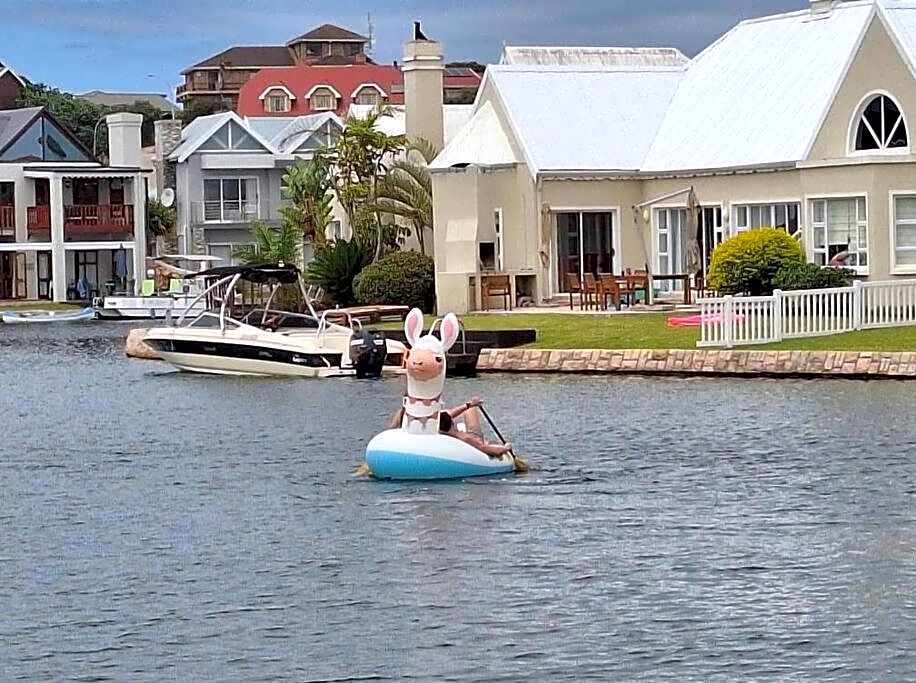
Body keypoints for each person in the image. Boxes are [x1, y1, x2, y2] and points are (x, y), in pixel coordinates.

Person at [388, 396, 513, 458]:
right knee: (471, 412)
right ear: (452, 423)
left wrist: (468, 404)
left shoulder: (437, 431)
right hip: (474, 438)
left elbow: (451, 413)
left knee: (466, 409)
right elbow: (487, 449)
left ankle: (470, 405)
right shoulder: (465, 439)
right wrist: (506, 448)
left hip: (452, 433)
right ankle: (472, 407)